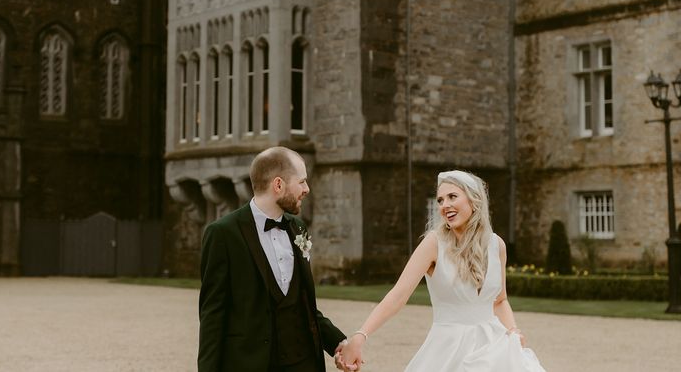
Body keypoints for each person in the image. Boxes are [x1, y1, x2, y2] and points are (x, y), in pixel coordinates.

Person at [338, 170, 546, 371]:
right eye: (440, 200)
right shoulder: (434, 243)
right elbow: (398, 295)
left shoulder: (496, 245)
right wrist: (360, 335)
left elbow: (500, 300)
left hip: (495, 348)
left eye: (452, 197)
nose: (445, 205)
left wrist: (513, 330)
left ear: (474, 200)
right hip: (449, 350)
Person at [198, 146, 349, 372]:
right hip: (250, 365)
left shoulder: (298, 228)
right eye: (302, 182)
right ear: (278, 185)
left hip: (303, 364)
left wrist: (339, 343)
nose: (307, 189)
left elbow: (304, 305)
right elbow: (213, 314)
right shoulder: (223, 234)